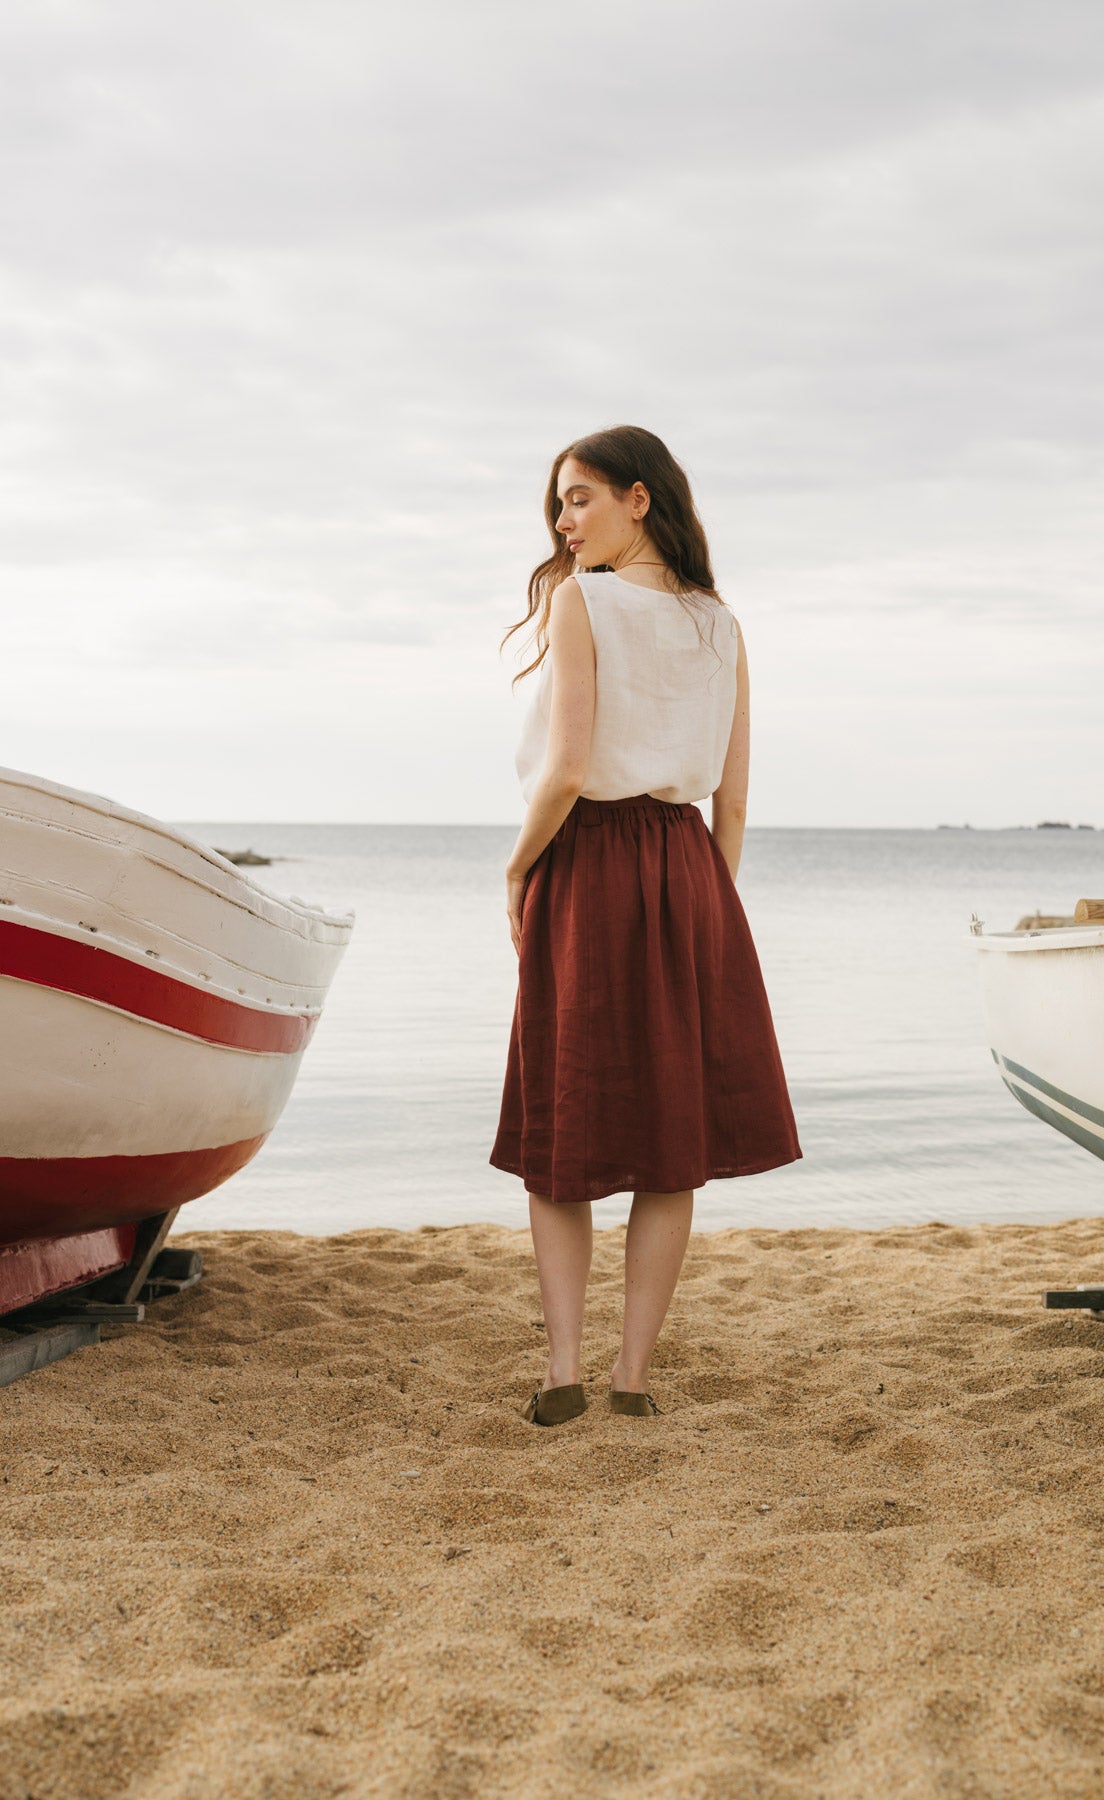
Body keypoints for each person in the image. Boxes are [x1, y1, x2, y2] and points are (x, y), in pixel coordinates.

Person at [490, 425, 802, 1426]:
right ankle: (632, 1380)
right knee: (672, 1136)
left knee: (561, 1124)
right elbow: (737, 801)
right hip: (689, 873)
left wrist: (516, 865)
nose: (561, 521)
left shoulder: (585, 602)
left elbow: (569, 768)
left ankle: (564, 1373)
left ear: (638, 497)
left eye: (578, 498)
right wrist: (707, 907)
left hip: (585, 863)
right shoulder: (724, 625)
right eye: (556, 505)